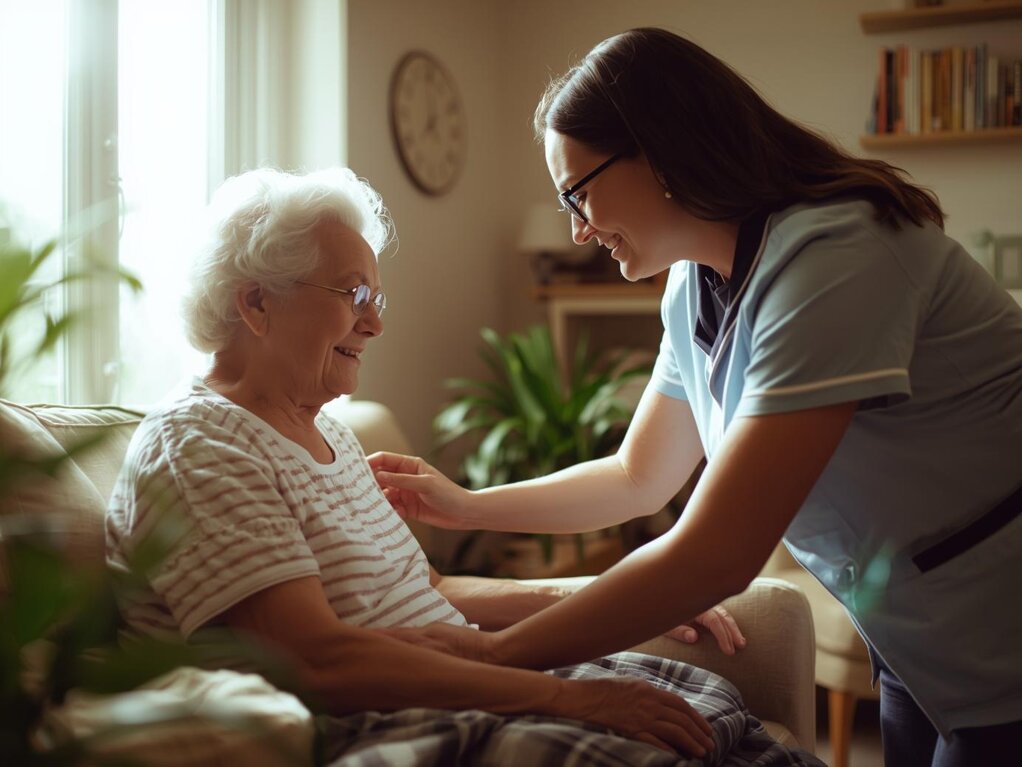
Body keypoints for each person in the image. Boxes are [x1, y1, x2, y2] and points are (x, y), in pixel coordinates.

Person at [368, 27, 1022, 767]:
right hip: (916, 638)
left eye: (578, 193)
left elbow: (719, 552)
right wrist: (466, 504)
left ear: (661, 152)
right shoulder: (692, 284)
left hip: (999, 619)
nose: (578, 229)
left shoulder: (837, 256)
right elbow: (638, 475)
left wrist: (497, 656)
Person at [103, 166, 782, 762]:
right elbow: (315, 662)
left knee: (716, 710)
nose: (375, 324)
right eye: (353, 295)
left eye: (377, 299)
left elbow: (432, 587)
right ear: (256, 303)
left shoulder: (328, 434)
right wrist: (565, 698)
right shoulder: (201, 444)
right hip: (373, 720)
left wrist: (619, 602)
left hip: (453, 686)